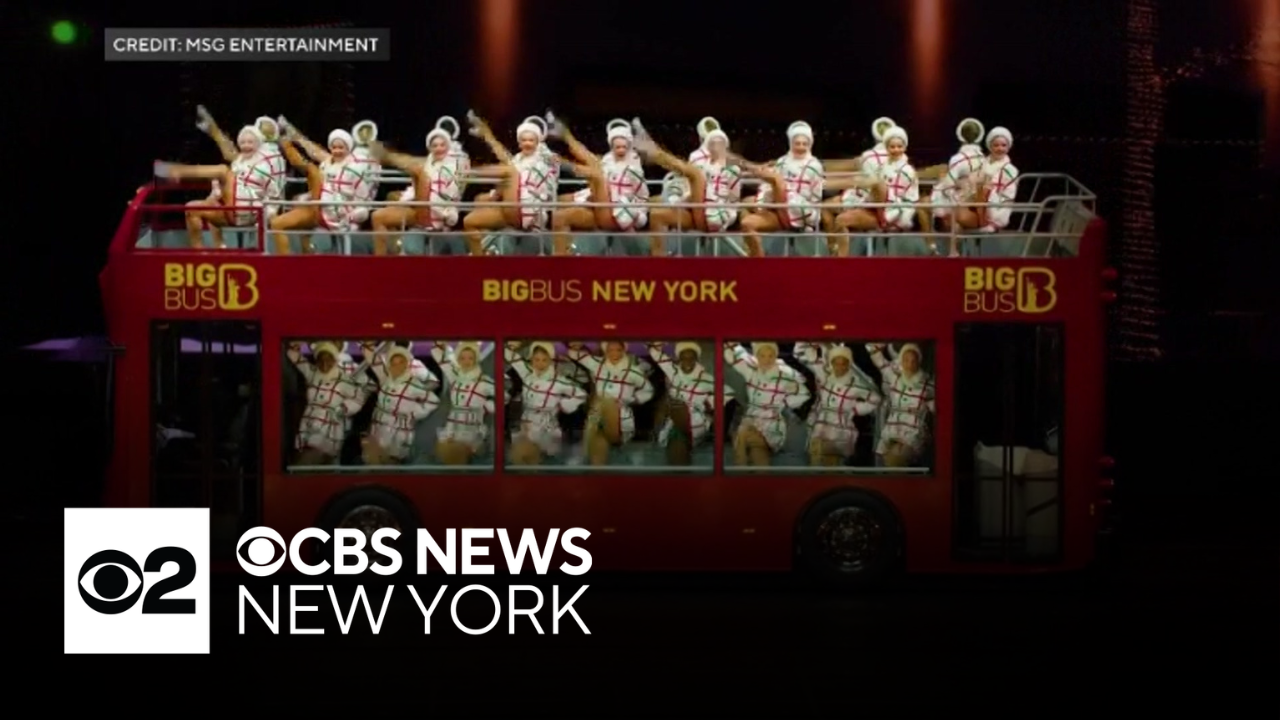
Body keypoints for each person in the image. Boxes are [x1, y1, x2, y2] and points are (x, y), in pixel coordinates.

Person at [157, 116, 272, 250]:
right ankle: (201, 254)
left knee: (222, 171)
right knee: (192, 208)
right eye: (243, 142)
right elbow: (229, 154)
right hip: (231, 212)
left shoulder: (264, 163)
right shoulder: (237, 164)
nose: (246, 145)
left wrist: (215, 131)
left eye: (250, 142)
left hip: (251, 212)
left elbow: (271, 193)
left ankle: (176, 171)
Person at [545, 113, 650, 256]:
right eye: (617, 147)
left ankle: (560, 259)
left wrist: (634, 215)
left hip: (615, 212)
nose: (620, 150)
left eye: (623, 147)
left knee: (561, 216)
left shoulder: (633, 166)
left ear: (630, 145)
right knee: (560, 200)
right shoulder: (609, 159)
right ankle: (564, 134)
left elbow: (637, 196)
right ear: (611, 145)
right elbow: (588, 158)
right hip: (599, 201)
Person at [634, 120, 742, 257]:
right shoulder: (702, 162)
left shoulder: (732, 169)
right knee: (657, 214)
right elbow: (691, 190)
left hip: (715, 217)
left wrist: (722, 219)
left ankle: (655, 153)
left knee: (694, 175)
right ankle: (658, 261)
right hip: (698, 210)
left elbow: (733, 202)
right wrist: (681, 200)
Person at [461, 112, 561, 256]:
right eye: (524, 140)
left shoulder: (543, 157)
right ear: (519, 143)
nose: (527, 143)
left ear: (538, 142)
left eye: (531, 140)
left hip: (530, 211)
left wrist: (551, 136)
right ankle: (480, 260)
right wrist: (487, 135)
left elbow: (552, 160)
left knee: (509, 172)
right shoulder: (518, 160)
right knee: (470, 220)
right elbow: (503, 156)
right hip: (513, 209)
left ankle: (469, 172)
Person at [268, 117, 373, 254]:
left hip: (338, 213)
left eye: (341, 148)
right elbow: (313, 153)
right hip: (318, 206)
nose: (337, 151)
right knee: (278, 223)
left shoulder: (355, 168)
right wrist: (307, 197)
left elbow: (362, 200)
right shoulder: (326, 163)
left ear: (348, 148)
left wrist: (353, 216)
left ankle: (286, 143)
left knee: (311, 170)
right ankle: (297, 258)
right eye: (334, 147)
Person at [368, 126, 468, 255]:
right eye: (435, 145)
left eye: (442, 145)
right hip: (422, 207)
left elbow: (447, 195)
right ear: (430, 148)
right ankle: (387, 256)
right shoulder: (429, 163)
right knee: (383, 208)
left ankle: (394, 251)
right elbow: (420, 190)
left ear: (448, 146)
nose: (439, 148)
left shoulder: (454, 166)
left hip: (435, 214)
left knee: (381, 214)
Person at [736, 121, 825, 257]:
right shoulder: (782, 161)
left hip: (798, 210)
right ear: (791, 143)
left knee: (776, 180)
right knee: (746, 218)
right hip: (775, 205)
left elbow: (816, 195)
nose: (801, 147)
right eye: (797, 143)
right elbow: (768, 186)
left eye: (804, 144)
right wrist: (763, 202)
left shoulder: (815, 165)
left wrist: (810, 220)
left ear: (810, 144)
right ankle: (757, 257)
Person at [564, 342, 655, 465]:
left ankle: (583, 452)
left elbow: (648, 390)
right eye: (610, 350)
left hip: (620, 417)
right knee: (598, 458)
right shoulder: (597, 364)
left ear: (624, 351)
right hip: (597, 415)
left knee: (604, 403)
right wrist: (575, 346)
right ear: (605, 351)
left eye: (618, 350)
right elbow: (575, 354)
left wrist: (633, 399)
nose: (614, 354)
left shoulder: (633, 371)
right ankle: (589, 455)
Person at [723, 342, 810, 466]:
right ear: (757, 356)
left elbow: (804, 395)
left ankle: (738, 470)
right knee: (758, 455)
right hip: (752, 419)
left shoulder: (785, 376)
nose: (767, 359)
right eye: (762, 356)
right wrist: (730, 345)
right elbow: (735, 358)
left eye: (770, 356)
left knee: (741, 434)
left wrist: (785, 401)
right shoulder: (751, 372)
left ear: (775, 356)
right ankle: (750, 474)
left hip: (772, 425)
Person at [794, 343, 882, 466]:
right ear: (832, 363)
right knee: (815, 457)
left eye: (843, 363)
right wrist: (814, 344)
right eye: (836, 363)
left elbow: (875, 399)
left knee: (832, 465)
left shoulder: (857, 384)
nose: (840, 367)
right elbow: (811, 358)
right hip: (820, 425)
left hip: (841, 429)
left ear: (849, 364)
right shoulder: (825, 376)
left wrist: (855, 409)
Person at [647, 342, 733, 465]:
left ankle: (660, 435)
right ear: (679, 358)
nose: (687, 361)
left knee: (673, 405)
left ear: (697, 359)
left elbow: (728, 393)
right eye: (684, 358)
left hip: (696, 419)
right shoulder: (673, 371)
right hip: (672, 417)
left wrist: (709, 405)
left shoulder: (706, 378)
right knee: (675, 437)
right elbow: (655, 353)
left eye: (691, 358)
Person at [504, 341, 589, 466]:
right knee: (521, 459)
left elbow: (581, 394)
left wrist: (566, 404)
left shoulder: (559, 381)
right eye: (536, 359)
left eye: (544, 360)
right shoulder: (527, 374)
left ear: (551, 361)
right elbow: (512, 357)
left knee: (526, 457)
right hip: (526, 426)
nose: (540, 364)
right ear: (531, 359)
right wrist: (512, 345)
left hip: (547, 429)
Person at [828, 126, 918, 238]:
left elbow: (898, 197)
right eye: (892, 147)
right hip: (874, 205)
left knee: (877, 183)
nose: (896, 150)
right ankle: (837, 250)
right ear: (887, 148)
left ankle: (883, 221)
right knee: (840, 220)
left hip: (895, 211)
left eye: (899, 147)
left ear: (905, 148)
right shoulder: (882, 166)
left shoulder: (907, 170)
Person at [286, 341, 365, 466]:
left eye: (329, 359)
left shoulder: (343, 379)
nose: (324, 364)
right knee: (315, 461)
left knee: (311, 461)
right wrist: (297, 341)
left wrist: (342, 409)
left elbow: (358, 398)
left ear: (335, 360)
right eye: (321, 360)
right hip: (309, 423)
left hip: (330, 426)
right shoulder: (312, 373)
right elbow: (294, 356)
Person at [362, 343, 439, 465]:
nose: (397, 366)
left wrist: (413, 413)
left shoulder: (414, 384)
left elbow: (433, 401)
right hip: (379, 425)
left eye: (401, 362)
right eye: (394, 363)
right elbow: (374, 361)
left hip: (399, 429)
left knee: (393, 461)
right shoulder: (385, 379)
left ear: (407, 364)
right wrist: (367, 346)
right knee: (374, 459)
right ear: (389, 365)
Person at [431, 341, 501, 465]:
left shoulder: (484, 381)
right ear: (458, 360)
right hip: (452, 425)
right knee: (449, 458)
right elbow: (443, 360)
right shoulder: (455, 376)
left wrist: (487, 406)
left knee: (468, 458)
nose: (466, 361)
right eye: (462, 358)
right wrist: (441, 345)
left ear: (476, 359)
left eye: (470, 358)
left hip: (472, 426)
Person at [867, 343, 935, 467]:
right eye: (906, 360)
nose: (910, 364)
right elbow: (878, 360)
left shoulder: (927, 384)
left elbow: (937, 406)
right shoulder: (894, 378)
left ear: (919, 362)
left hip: (912, 434)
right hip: (891, 431)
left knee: (898, 460)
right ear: (901, 362)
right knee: (881, 462)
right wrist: (877, 346)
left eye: (913, 361)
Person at [927, 117, 988, 256]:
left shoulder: (957, 159)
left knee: (942, 209)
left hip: (968, 204)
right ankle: (954, 252)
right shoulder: (984, 159)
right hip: (977, 205)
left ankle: (936, 247)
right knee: (954, 218)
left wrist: (944, 185)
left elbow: (948, 185)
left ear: (961, 137)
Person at [975, 126, 1020, 233]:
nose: (1000, 149)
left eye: (1003, 145)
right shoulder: (982, 163)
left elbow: (1008, 195)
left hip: (994, 205)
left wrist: (989, 190)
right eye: (996, 145)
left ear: (1008, 147)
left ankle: (992, 224)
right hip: (977, 201)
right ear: (990, 147)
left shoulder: (1010, 170)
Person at [351, 119, 382, 201]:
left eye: (368, 132)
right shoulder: (352, 152)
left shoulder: (376, 152)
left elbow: (376, 170)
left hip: (370, 179)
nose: (365, 135)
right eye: (362, 132)